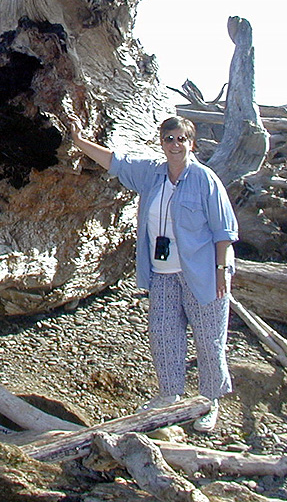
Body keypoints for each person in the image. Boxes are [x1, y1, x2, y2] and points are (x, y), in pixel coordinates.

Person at [69, 115, 238, 432]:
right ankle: (169, 395)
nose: (175, 145)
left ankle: (208, 402)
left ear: (192, 143)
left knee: (209, 341)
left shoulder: (206, 180)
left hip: (201, 274)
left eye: (181, 139)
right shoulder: (152, 174)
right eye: (169, 139)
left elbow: (224, 233)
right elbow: (117, 163)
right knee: (164, 336)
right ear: (161, 142)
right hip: (162, 273)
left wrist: (221, 273)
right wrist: (79, 142)